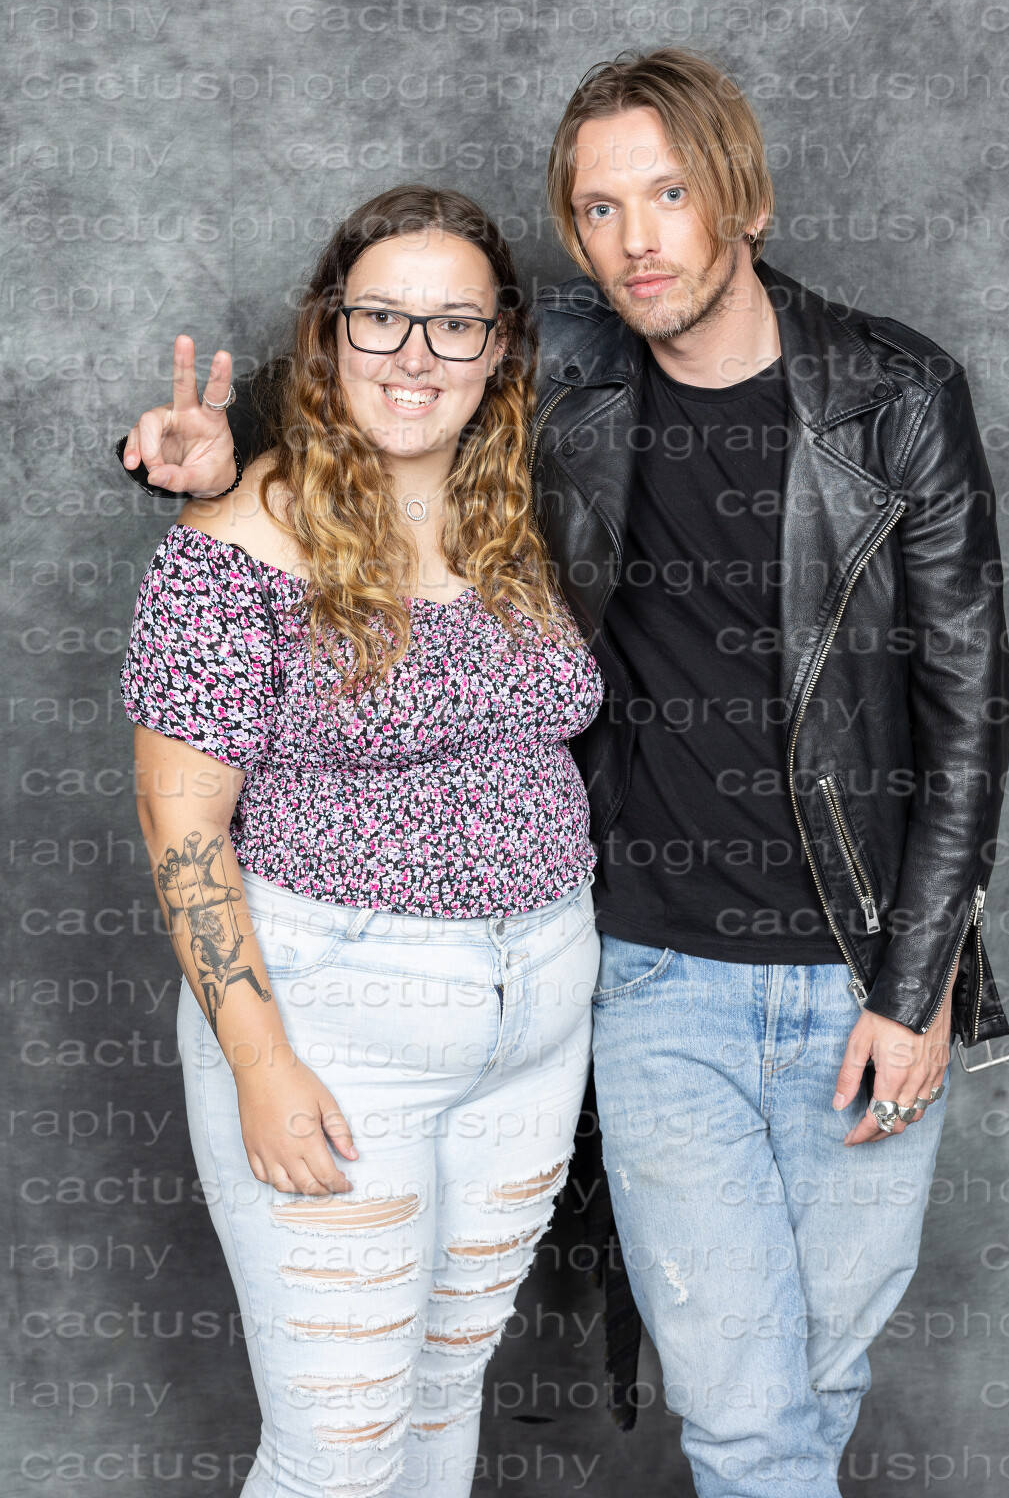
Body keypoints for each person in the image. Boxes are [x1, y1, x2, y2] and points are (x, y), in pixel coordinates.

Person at [119, 49, 1009, 1498]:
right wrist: (217, 455)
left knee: (794, 1389)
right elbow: (389, 383)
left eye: (670, 195)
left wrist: (919, 989)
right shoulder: (576, 372)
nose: (636, 239)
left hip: (836, 974)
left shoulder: (893, 395)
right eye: (599, 209)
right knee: (732, 1424)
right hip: (640, 977)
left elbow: (969, 713)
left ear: (748, 200)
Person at [122, 186, 604, 1498]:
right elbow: (181, 828)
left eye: (456, 325)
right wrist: (260, 1059)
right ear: (329, 334)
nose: (415, 355)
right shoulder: (234, 544)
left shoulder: (512, 519)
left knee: (440, 1403)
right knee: (338, 1452)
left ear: (500, 350)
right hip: (336, 1030)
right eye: (382, 317)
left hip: (534, 1026)